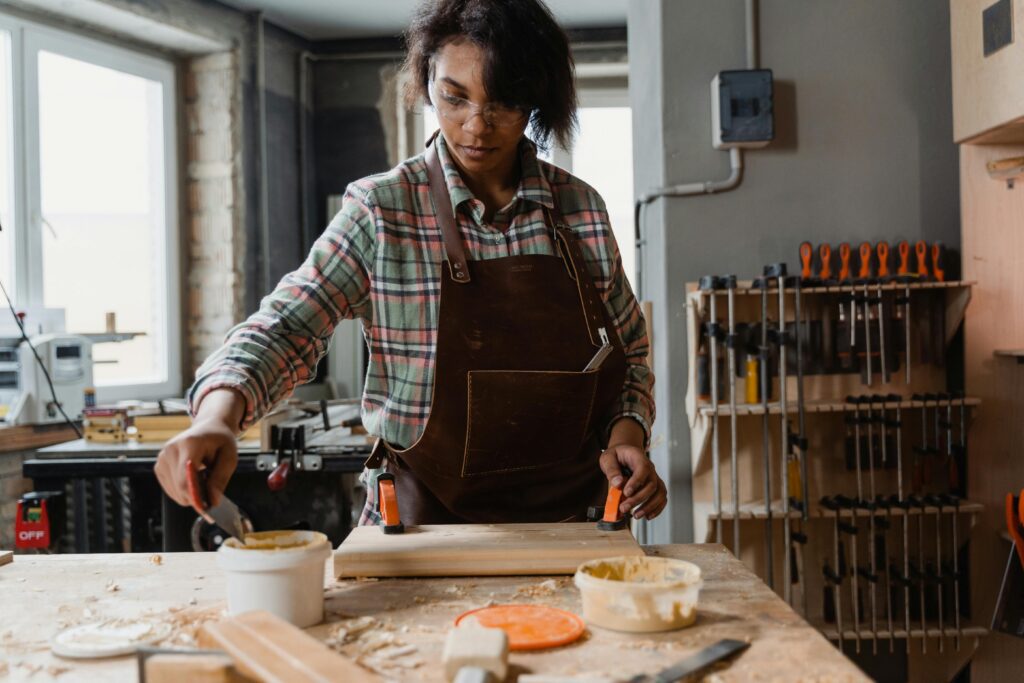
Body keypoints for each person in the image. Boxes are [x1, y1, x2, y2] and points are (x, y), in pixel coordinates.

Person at [155, 0, 664, 527]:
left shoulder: (580, 209)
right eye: (454, 97)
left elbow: (628, 352)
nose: (476, 125)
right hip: (419, 527)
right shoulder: (382, 211)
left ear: (536, 98)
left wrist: (627, 432)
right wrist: (217, 418)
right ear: (427, 84)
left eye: (504, 103)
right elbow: (284, 328)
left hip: (572, 523)